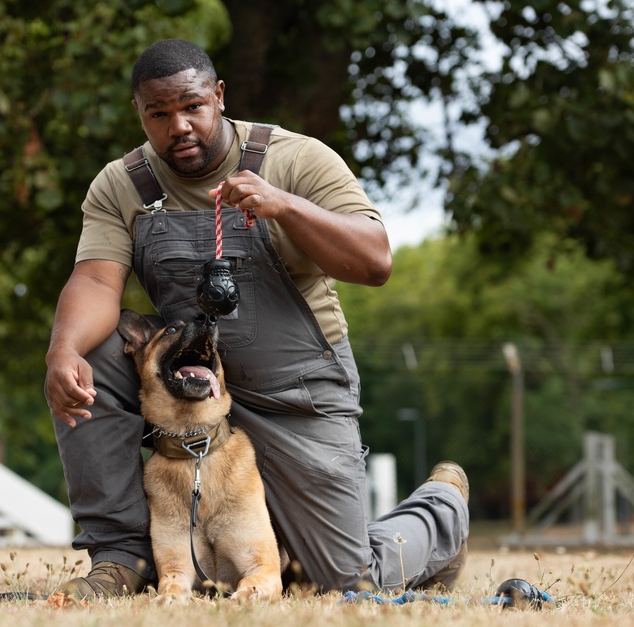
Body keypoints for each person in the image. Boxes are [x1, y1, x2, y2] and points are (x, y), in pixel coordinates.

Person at [44, 38, 469, 599]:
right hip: (191, 388)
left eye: (193, 106)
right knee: (90, 356)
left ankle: (442, 510)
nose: (180, 127)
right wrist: (62, 350)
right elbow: (97, 281)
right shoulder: (122, 184)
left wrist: (285, 206)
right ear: (140, 114)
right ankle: (124, 557)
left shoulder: (295, 159)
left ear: (219, 97)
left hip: (297, 394)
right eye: (160, 114)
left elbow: (375, 261)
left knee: (341, 581)